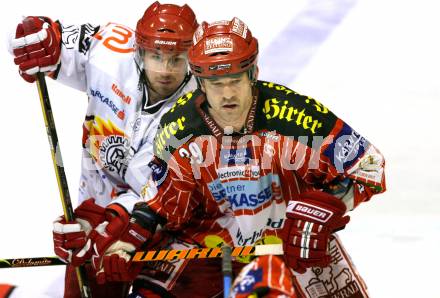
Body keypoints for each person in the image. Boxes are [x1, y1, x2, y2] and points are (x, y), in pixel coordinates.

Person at [125, 17, 386, 298]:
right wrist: (127, 240)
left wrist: (325, 210)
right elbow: (164, 208)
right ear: (200, 83)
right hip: (208, 251)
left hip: (296, 246)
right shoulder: (178, 131)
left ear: (253, 74)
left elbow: (370, 166)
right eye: (216, 83)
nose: (227, 94)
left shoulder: (298, 118)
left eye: (235, 80)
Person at [9, 2, 198, 297]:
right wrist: (36, 38)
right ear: (139, 50)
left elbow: (153, 192)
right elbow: (45, 41)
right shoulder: (109, 50)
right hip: (96, 204)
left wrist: (106, 229)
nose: (164, 70)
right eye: (156, 56)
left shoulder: (197, 109)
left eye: (176, 59)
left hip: (163, 220)